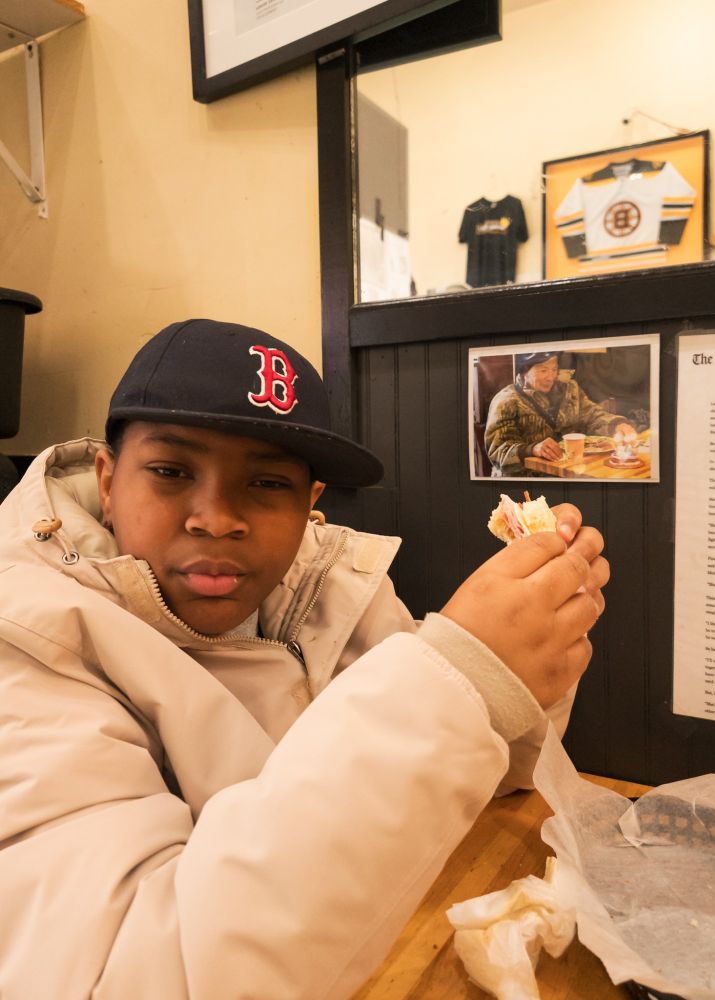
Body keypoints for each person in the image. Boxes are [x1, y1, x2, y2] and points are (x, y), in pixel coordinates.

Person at [0, 319, 608, 999]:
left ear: (310, 504)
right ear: (108, 480)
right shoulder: (27, 639)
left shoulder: (326, 583)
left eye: (266, 485)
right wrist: (460, 678)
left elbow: (504, 772)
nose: (217, 518)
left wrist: (530, 665)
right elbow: (130, 974)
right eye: (172, 472)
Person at [484, 349, 639, 476]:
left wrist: (617, 425)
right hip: (525, 481)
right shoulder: (506, 401)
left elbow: (593, 415)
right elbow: (498, 451)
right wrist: (533, 449)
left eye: (554, 369)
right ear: (525, 371)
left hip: (569, 472)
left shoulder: (569, 390)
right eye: (543, 370)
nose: (551, 377)